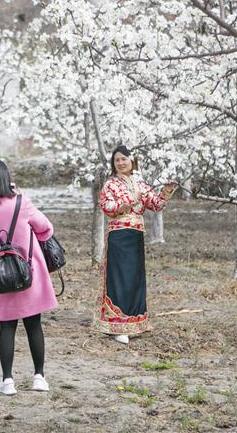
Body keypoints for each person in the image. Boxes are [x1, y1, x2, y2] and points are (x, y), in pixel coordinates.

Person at [0, 159, 57, 395]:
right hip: (28, 272)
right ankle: (39, 377)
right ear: (5, 178)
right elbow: (45, 227)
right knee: (34, 325)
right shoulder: (21, 202)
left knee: (6, 327)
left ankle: (7, 381)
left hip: (1, 277)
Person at [93, 145, 175, 344]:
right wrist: (130, 201)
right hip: (119, 235)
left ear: (132, 160)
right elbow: (107, 207)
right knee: (119, 277)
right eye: (117, 160)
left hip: (136, 234)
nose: (121, 163)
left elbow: (156, 205)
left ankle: (135, 321)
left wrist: (166, 192)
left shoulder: (140, 182)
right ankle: (116, 325)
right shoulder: (110, 185)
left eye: (124, 159)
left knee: (135, 278)